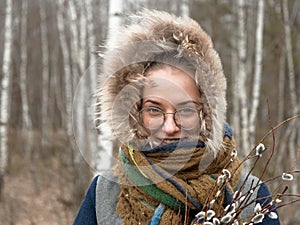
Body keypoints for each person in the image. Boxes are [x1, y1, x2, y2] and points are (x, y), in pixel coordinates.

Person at [73, 9, 281, 225]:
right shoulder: (103, 193)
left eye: (186, 110)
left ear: (206, 114)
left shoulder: (249, 195)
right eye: (154, 110)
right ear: (135, 113)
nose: (170, 126)